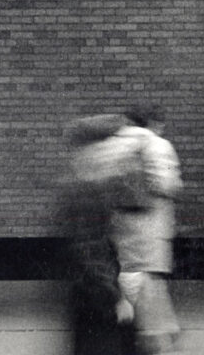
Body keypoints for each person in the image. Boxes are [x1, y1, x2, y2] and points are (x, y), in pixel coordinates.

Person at [110, 105, 184, 355]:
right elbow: (168, 185)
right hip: (153, 221)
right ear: (152, 122)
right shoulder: (158, 145)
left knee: (131, 271)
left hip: (123, 221)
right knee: (150, 277)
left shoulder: (115, 146)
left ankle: (152, 326)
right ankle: (152, 330)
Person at [64, 113, 137, 355]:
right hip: (97, 296)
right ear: (94, 149)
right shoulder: (86, 192)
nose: (120, 151)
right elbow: (91, 250)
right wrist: (115, 297)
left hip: (95, 292)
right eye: (113, 143)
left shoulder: (95, 186)